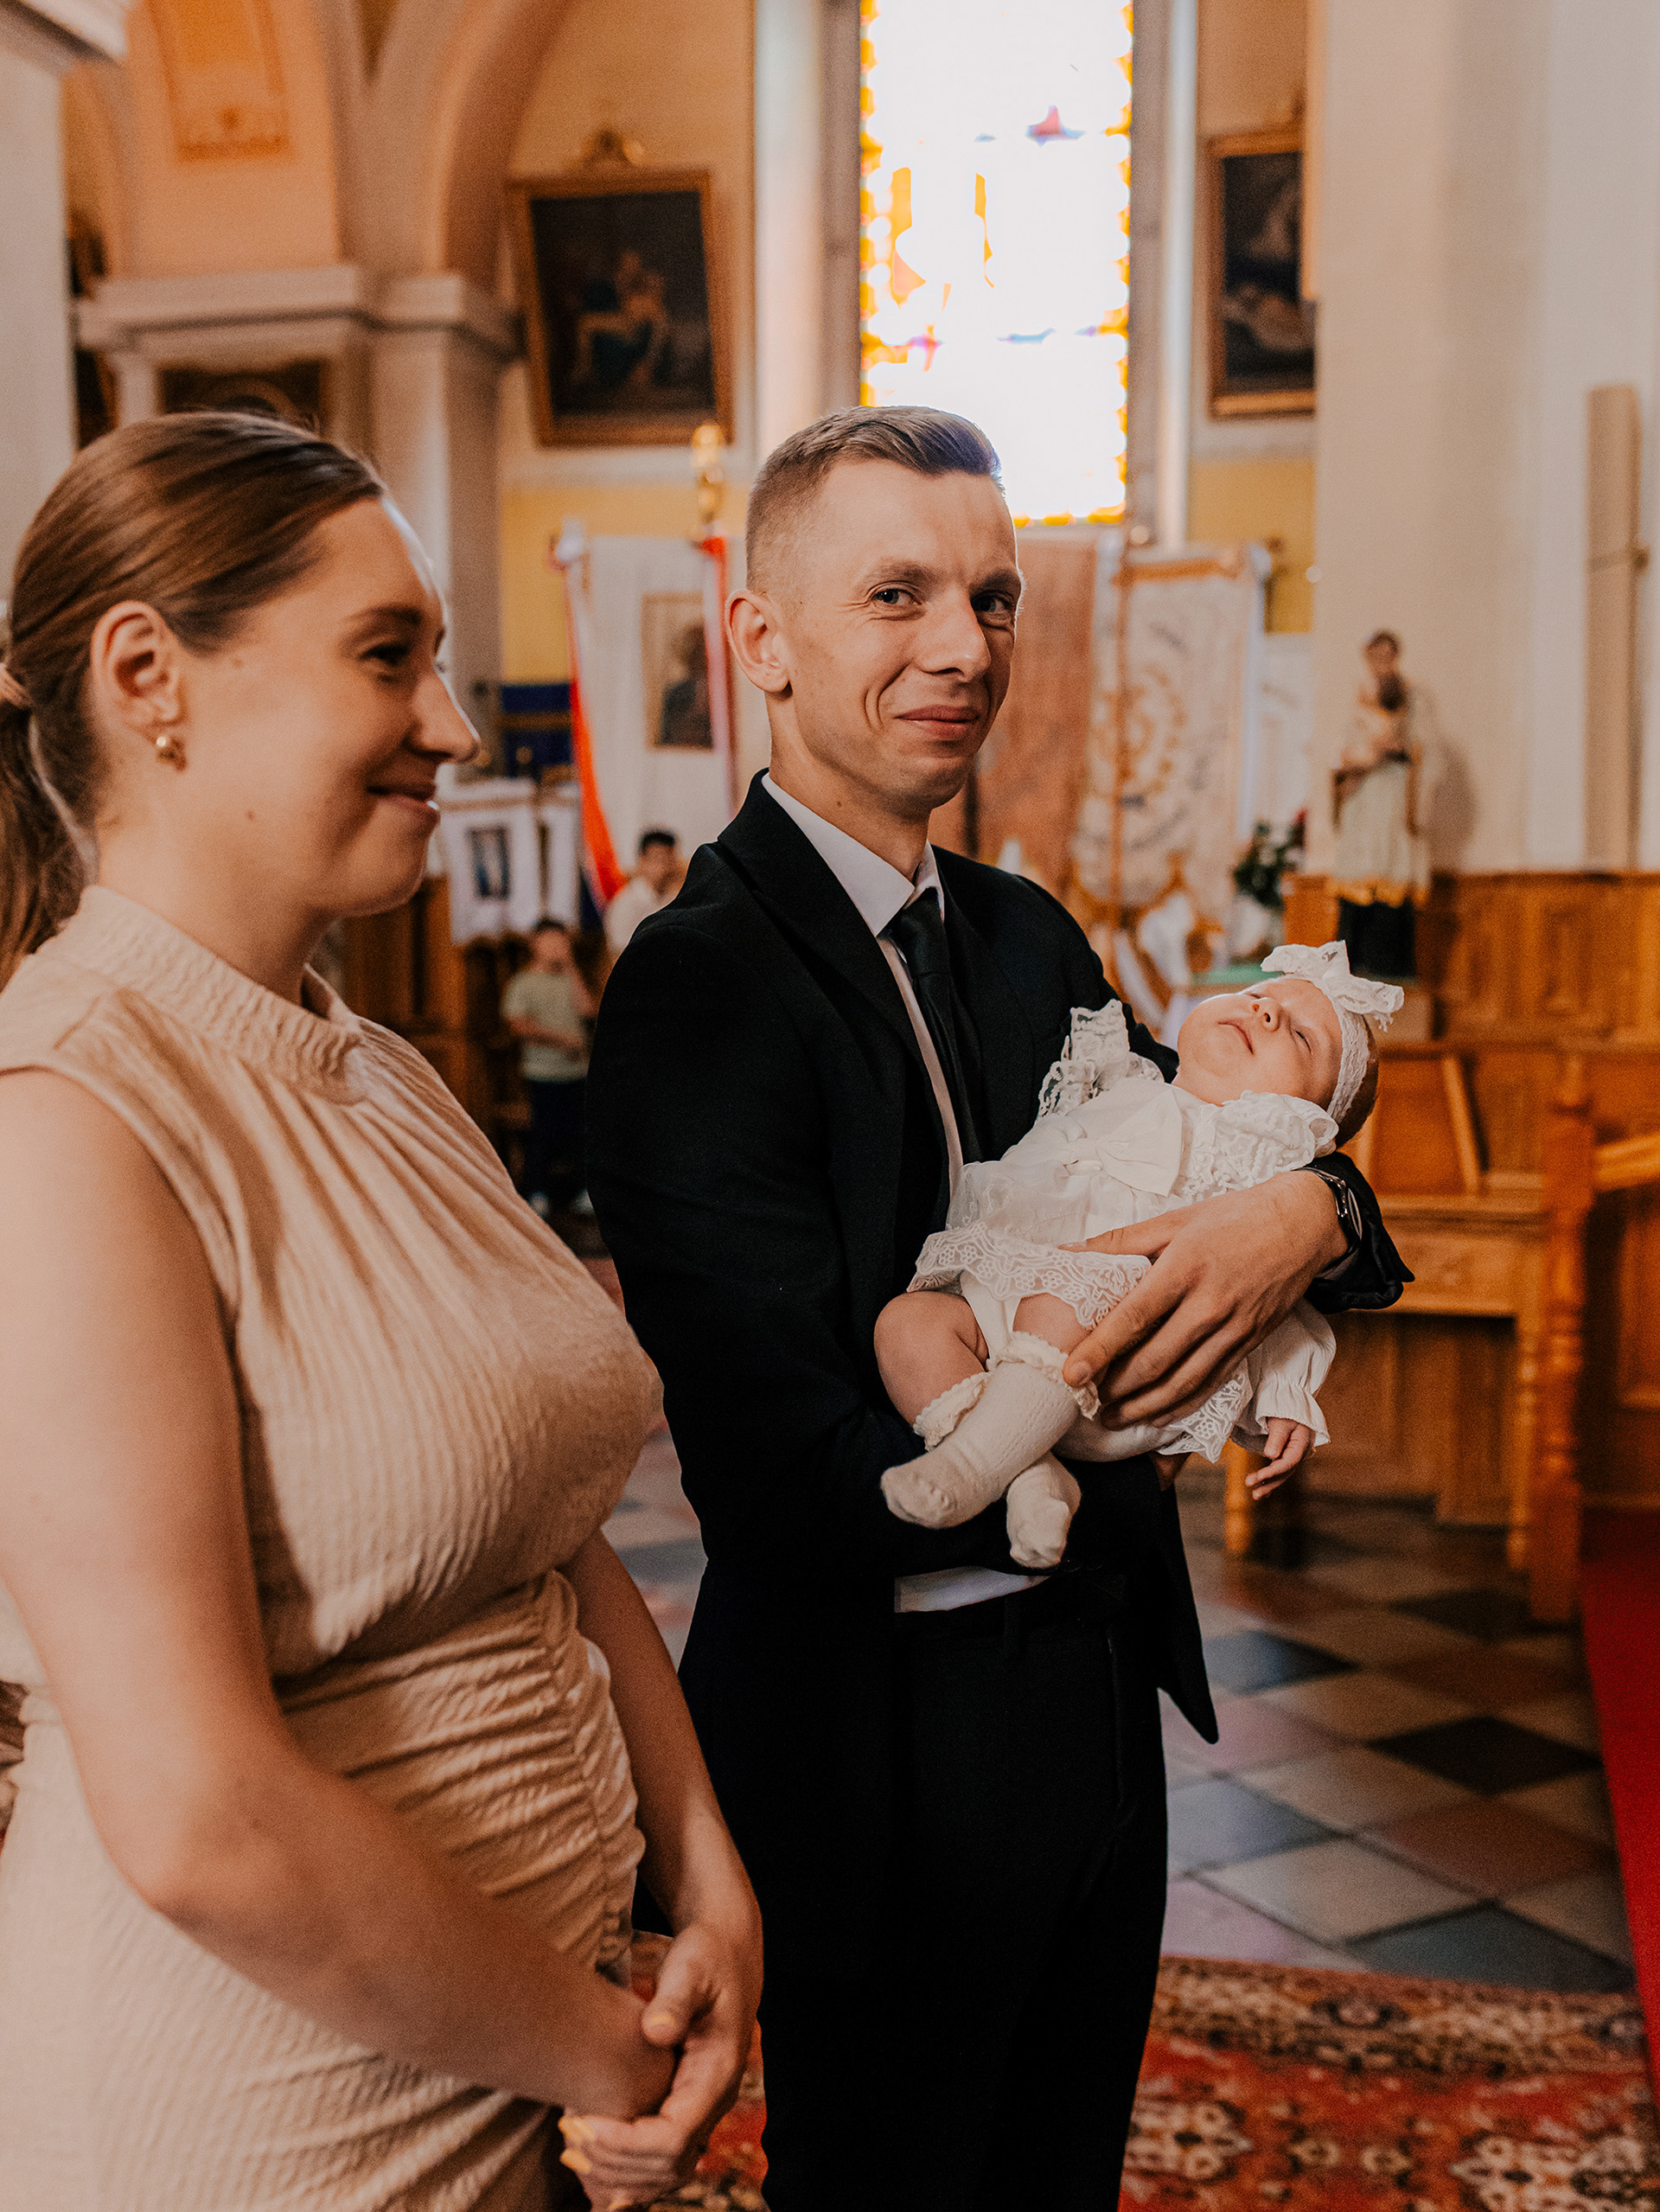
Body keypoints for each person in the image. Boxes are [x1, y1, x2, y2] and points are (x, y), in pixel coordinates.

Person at [585, 405, 1408, 2210]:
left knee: (1055, 2174)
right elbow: (777, 1471)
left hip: (1095, 1694)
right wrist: (1057, 1423)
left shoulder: (1028, 936)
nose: (965, 643)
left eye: (994, 596)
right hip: (883, 1736)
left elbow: (1220, 1151)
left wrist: (1313, 1207)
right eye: (898, 595)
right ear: (762, 638)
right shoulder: (700, 985)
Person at [0, 411, 760, 2212]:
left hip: (515, 2058)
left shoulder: (383, 1070)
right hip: (263, 2119)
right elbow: (199, 1819)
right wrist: (606, 2052)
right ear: (149, 679)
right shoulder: (66, 1118)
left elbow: (549, 1528)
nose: (453, 721)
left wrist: (705, 1868)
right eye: (387, 654)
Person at [876, 948, 1403, 1569]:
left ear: (1307, 1122)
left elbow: (1272, 1292)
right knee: (908, 1324)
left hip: (1116, 1369)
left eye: (1301, 1036)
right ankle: (1028, 1476)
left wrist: (1288, 1393)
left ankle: (968, 1466)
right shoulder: (1123, 1081)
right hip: (1004, 1318)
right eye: (1263, 996)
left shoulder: (1260, 1153)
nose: (1265, 1012)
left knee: (1065, 1295)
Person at [1332, 629, 1436, 978]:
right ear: (1367, 658)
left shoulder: (1411, 695)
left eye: (1387, 655)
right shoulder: (1356, 698)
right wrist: (1366, 757)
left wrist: (1400, 749)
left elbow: (1425, 747)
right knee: (1359, 875)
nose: (1381, 662)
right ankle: (1355, 965)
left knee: (1390, 869)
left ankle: (1390, 967)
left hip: (1393, 794)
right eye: (1375, 656)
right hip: (1363, 796)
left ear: (1396, 656)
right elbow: (1342, 749)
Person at [503, 916, 593, 1215]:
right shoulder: (523, 982)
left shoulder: (570, 978)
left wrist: (571, 967)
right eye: (551, 941)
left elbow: (587, 1010)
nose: (557, 947)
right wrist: (560, 1040)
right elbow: (518, 1024)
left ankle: (584, 1190)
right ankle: (536, 1190)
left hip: (576, 1072)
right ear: (535, 944)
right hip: (541, 1072)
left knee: (580, 1133)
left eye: (562, 941)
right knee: (542, 1133)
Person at [603, 828, 685, 956]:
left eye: (669, 859)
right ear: (642, 861)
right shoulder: (625, 904)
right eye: (657, 859)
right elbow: (621, 955)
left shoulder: (675, 899)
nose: (664, 867)